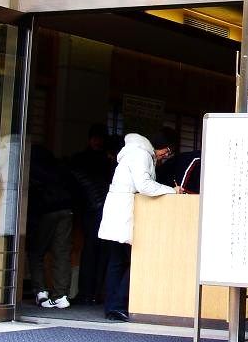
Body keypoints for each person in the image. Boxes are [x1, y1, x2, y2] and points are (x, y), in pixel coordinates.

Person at [98, 131, 179, 321]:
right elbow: (144, 185)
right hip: (126, 211)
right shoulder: (142, 154)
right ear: (161, 147)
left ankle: (112, 307)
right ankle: (118, 305)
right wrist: (172, 191)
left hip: (118, 209)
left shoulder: (135, 151)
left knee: (117, 261)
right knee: (133, 260)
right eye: (167, 151)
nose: (166, 156)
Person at [25, 144, 77, 309]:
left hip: (45, 210)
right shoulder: (59, 167)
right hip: (66, 208)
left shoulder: (30, 168)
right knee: (62, 253)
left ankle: (41, 293)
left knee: (36, 252)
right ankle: (61, 295)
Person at [69, 123, 114, 305]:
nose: (97, 141)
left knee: (96, 250)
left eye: (100, 138)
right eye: (95, 138)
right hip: (94, 209)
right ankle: (90, 292)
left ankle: (92, 292)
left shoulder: (103, 160)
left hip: (95, 209)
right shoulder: (92, 160)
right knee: (93, 250)